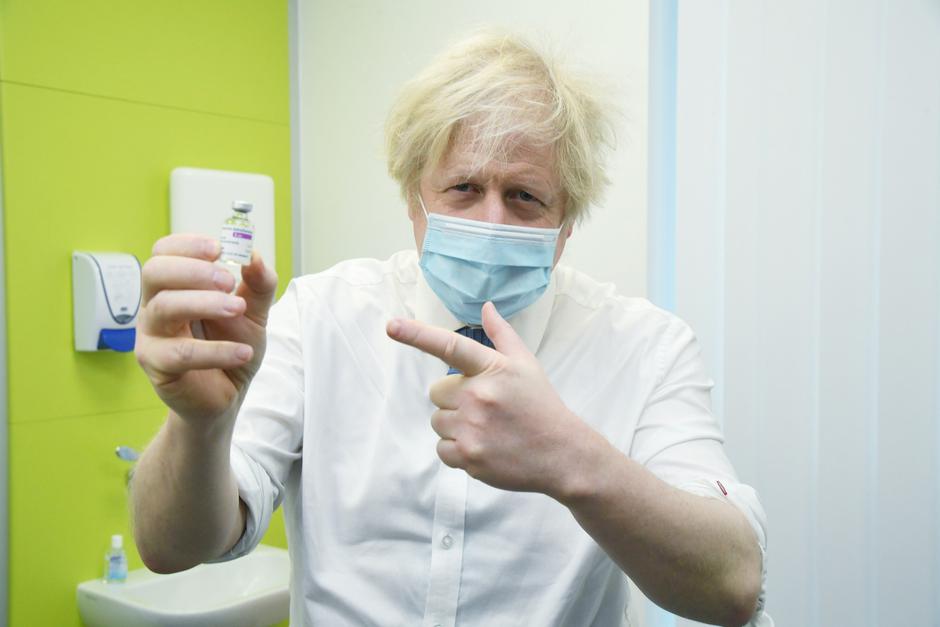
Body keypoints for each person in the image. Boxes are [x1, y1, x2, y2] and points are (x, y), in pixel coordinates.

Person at [131, 29, 772, 627]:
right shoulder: (321, 315)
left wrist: (571, 459)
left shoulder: (644, 348)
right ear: (414, 198)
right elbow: (171, 548)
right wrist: (200, 427)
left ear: (567, 220)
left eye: (525, 196)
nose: (491, 220)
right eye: (463, 187)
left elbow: (733, 584)